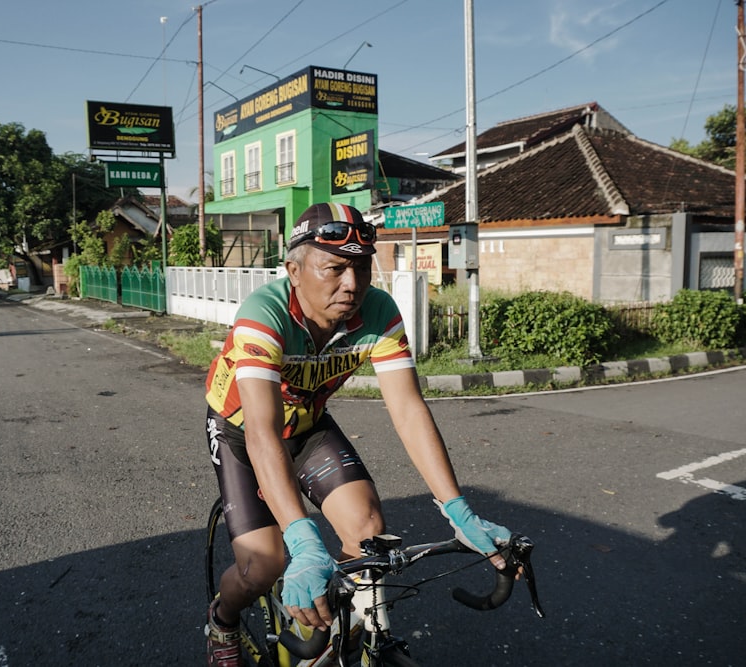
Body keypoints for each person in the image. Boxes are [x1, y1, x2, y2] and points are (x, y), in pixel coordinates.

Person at [203, 202, 513, 667]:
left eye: (362, 267)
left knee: (369, 533)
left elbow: (408, 410)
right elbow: (263, 432)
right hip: (243, 432)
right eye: (335, 268)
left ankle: (339, 630)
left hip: (308, 426)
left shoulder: (377, 311)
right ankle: (222, 621)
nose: (352, 284)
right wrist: (304, 540)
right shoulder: (263, 314)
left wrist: (458, 509)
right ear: (294, 269)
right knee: (264, 565)